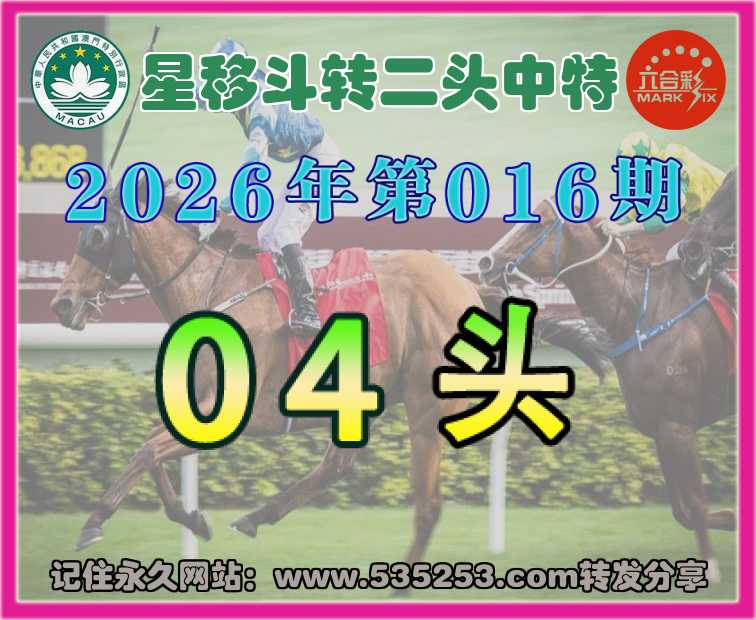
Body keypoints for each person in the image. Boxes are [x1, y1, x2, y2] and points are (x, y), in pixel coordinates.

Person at [201, 38, 342, 335]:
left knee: (284, 231)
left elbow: (255, 159)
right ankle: (284, 305)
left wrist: (230, 200)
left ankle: (308, 311)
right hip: (307, 160)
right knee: (266, 235)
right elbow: (202, 98)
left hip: (321, 160)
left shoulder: (261, 109)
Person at [599, 131, 736, 306]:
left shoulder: (674, 162)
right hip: (714, 224)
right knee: (682, 254)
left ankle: (735, 295)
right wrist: (609, 224)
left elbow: (664, 218)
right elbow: (631, 214)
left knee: (680, 255)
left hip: (732, 216)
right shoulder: (653, 174)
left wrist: (621, 230)